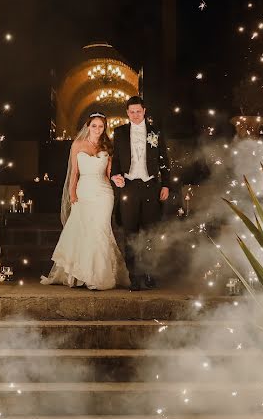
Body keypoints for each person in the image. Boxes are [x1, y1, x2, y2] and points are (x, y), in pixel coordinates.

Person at [41, 113, 130, 290]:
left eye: (101, 126)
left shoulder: (107, 146)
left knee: (100, 231)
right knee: (83, 231)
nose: (97, 129)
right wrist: (72, 193)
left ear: (104, 128)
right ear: (88, 127)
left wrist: (117, 180)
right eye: (94, 126)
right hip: (84, 192)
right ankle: (80, 275)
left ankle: (98, 276)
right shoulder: (77, 144)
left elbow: (109, 173)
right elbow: (74, 173)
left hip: (104, 193)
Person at [110, 96, 171, 290]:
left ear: (144, 111)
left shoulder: (155, 132)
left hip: (151, 186)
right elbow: (116, 160)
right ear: (127, 113)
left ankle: (150, 273)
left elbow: (164, 161)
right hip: (129, 187)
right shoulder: (119, 132)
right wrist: (115, 176)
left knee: (150, 233)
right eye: (131, 112)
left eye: (138, 111)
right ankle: (134, 277)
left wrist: (166, 185)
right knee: (130, 234)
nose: (135, 115)